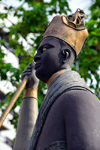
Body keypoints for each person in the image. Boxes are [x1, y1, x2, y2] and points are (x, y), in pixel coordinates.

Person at [14, 9, 100, 150]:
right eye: (37, 51)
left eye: (45, 49)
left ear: (65, 55)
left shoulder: (78, 98)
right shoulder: (55, 103)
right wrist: (30, 89)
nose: (36, 57)